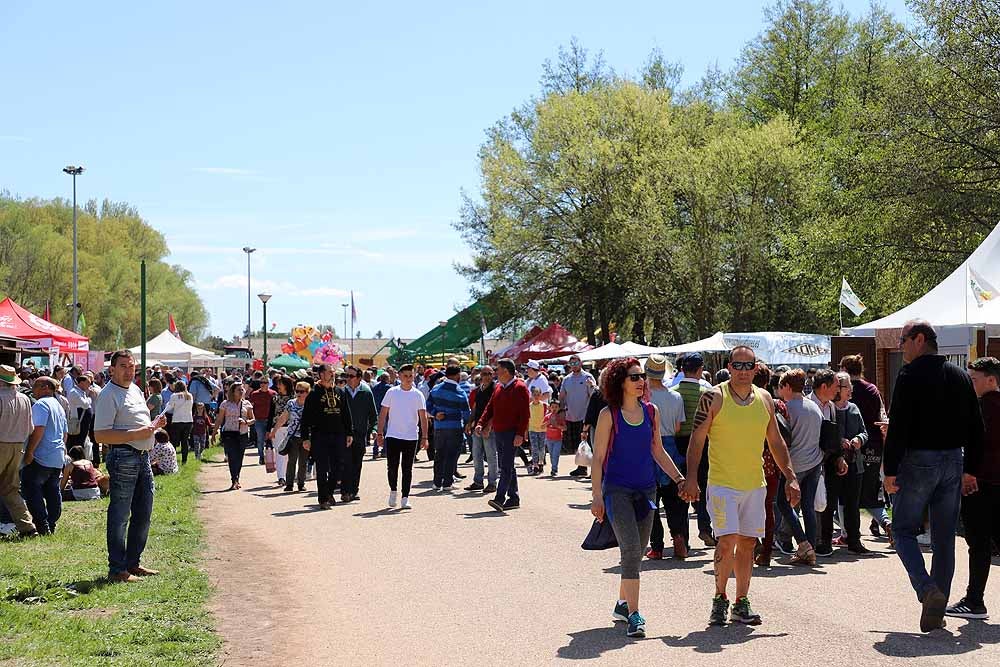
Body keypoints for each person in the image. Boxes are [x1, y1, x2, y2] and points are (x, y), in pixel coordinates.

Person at [681, 346, 800, 626]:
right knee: (727, 541)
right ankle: (720, 598)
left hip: (754, 485)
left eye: (749, 366)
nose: (743, 371)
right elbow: (697, 440)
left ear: (756, 369)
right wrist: (691, 477)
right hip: (722, 484)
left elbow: (776, 441)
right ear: (730, 366)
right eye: (738, 365)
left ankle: (741, 601)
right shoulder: (714, 397)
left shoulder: (765, 399)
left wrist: (791, 477)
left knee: (747, 544)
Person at [883, 319, 984, 632]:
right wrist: (971, 470)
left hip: (919, 461)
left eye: (903, 340)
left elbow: (897, 426)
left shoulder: (909, 375)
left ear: (919, 339)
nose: (901, 346)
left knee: (901, 530)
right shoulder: (960, 375)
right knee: (944, 540)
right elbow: (977, 428)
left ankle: (928, 590)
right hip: (954, 461)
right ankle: (936, 612)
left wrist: (889, 470)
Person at [590, 358, 686, 638]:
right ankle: (634, 614)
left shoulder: (652, 411)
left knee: (637, 550)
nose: (641, 380)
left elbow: (658, 451)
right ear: (619, 381)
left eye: (642, 376)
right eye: (634, 377)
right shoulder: (609, 414)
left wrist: (679, 478)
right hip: (617, 491)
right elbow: (597, 459)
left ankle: (622, 605)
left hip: (647, 490)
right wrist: (596, 497)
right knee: (631, 549)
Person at [94, 349, 167, 583]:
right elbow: (101, 435)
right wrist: (138, 433)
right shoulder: (108, 394)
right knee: (120, 514)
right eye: (123, 366)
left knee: (143, 512)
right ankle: (117, 569)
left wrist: (154, 424)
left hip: (142, 456)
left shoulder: (135, 389)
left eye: (132, 366)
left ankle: (132, 563)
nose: (129, 370)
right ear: (112, 370)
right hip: (124, 457)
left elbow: (137, 420)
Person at [947, 356, 1000, 620]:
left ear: (991, 380)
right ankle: (973, 599)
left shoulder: (982, 407)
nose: (971, 383)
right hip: (991, 484)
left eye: (974, 379)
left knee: (978, 544)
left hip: (980, 485)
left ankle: (974, 600)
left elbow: (973, 443)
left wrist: (968, 473)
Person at [773, 369, 827, 566]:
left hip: (794, 465)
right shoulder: (814, 407)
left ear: (787, 386)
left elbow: (782, 439)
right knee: (809, 507)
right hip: (815, 462)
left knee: (783, 503)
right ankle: (809, 548)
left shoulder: (787, 409)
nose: (779, 390)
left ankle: (803, 543)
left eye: (781, 386)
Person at [840, 354, 892, 543]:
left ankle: (847, 533)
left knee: (845, 493)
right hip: (874, 446)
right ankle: (886, 523)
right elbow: (882, 415)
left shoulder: (842, 391)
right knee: (871, 491)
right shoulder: (872, 389)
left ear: (844, 369)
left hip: (850, 446)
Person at [816, 372, 869, 555]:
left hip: (854, 463)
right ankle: (825, 541)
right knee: (829, 504)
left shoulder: (854, 408)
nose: (842, 390)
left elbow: (864, 432)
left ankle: (854, 541)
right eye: (839, 386)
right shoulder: (829, 408)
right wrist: (839, 442)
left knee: (852, 505)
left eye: (844, 386)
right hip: (832, 463)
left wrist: (857, 440)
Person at [644, 354, 689, 560]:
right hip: (671, 447)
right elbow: (679, 427)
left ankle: (657, 546)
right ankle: (679, 536)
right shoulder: (676, 397)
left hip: (648, 449)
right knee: (674, 501)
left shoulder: (643, 399)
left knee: (651, 500)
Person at [673, 352, 715, 546]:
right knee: (704, 485)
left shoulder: (672, 392)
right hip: (702, 443)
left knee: (681, 486)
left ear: (682, 369)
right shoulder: (707, 392)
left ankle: (681, 536)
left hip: (678, 443)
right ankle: (705, 527)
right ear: (700, 370)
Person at [479, 359, 530, 512]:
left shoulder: (520, 387)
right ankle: (513, 498)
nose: (496, 374)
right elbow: (490, 407)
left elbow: (524, 414)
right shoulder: (499, 388)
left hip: (512, 433)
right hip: (500, 432)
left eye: (498, 371)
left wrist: (520, 434)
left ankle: (500, 498)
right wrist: (481, 422)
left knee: (506, 466)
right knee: (506, 465)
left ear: (506, 372)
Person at [301, 364, 354, 509]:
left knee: (338, 467)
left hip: (339, 435)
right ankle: (323, 499)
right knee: (322, 468)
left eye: (333, 372)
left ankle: (329, 492)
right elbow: (305, 418)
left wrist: (349, 433)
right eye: (330, 372)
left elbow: (346, 414)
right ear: (321, 374)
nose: (333, 374)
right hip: (320, 436)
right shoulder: (313, 394)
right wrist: (305, 437)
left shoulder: (340, 392)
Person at [21, 376, 68, 536]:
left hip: (41, 456)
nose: (33, 390)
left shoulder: (41, 405)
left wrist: (29, 452)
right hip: (56, 456)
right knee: (53, 491)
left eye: (36, 386)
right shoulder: (58, 405)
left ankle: (42, 525)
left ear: (46, 388)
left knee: (31, 489)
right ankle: (51, 522)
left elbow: (38, 430)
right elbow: (65, 434)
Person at [377, 364, 428, 509]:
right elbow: (383, 414)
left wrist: (425, 437)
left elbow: (423, 417)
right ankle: (393, 491)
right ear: (399, 376)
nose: (408, 379)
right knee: (392, 467)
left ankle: (405, 497)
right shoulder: (392, 392)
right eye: (405, 376)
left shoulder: (418, 394)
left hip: (411, 436)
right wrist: (380, 433)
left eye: (411, 375)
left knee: (408, 468)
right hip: (393, 435)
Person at [0, 364, 37, 537]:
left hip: (1, 444)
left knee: (10, 489)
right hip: (18, 447)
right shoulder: (24, 398)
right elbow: (30, 428)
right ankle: (27, 527)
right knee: (11, 489)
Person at [426, 365, 471, 491]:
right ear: (457, 375)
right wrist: (468, 424)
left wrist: (435, 414)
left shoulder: (435, 388)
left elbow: (427, 405)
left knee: (439, 454)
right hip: (455, 427)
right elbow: (466, 411)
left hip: (439, 427)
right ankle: (447, 483)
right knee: (451, 454)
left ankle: (436, 482)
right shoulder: (459, 391)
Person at [343, 366, 377, 502]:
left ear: (358, 378)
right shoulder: (341, 392)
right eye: (347, 376)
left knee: (357, 463)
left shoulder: (366, 392)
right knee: (345, 462)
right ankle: (345, 491)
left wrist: (374, 430)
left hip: (360, 434)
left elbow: (373, 415)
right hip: (344, 434)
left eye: (351, 376)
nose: (348, 379)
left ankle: (354, 490)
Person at [269, 381, 310, 492]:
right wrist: (274, 431)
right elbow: (283, 418)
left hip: (306, 437)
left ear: (307, 392)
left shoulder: (310, 404)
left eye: (301, 391)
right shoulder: (291, 403)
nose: (299, 394)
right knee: (291, 461)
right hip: (292, 436)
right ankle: (289, 484)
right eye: (297, 391)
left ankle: (301, 484)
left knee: (303, 461)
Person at [465, 366, 499, 493]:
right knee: (476, 454)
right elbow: (475, 407)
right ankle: (478, 481)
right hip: (477, 426)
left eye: (489, 373)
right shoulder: (479, 390)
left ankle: (492, 482)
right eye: (484, 374)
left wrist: (488, 426)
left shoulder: (495, 389)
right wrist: (470, 422)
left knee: (491, 455)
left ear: (493, 375)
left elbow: (496, 410)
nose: (487, 376)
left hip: (490, 428)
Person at [216, 383, 255, 490]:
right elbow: (219, 419)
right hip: (229, 433)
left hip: (242, 434)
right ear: (233, 392)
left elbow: (253, 420)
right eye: (239, 390)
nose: (241, 391)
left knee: (239, 458)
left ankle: (237, 478)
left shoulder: (247, 404)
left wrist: (245, 421)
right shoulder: (225, 404)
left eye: (242, 389)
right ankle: (234, 480)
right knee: (232, 457)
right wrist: (215, 432)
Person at [562, 355, 595, 477]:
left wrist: (591, 386)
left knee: (590, 444)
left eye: (576, 363)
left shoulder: (587, 377)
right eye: (571, 364)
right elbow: (562, 396)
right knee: (579, 445)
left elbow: (593, 394)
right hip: (571, 416)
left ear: (580, 363)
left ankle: (594, 470)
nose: (574, 366)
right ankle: (582, 467)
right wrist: (561, 412)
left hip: (585, 416)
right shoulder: (566, 379)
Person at [165, 381, 195, 464]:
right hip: (188, 420)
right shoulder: (189, 396)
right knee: (184, 441)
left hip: (177, 420)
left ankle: (172, 460)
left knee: (174, 441)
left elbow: (170, 407)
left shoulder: (174, 396)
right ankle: (184, 460)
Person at [248, 379, 276, 465]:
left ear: (268, 384)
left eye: (265, 383)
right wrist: (251, 417)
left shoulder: (273, 394)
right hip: (259, 420)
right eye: (261, 383)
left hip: (270, 420)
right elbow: (251, 406)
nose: (263, 384)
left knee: (270, 439)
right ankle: (261, 457)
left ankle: (270, 457)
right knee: (260, 439)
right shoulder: (254, 394)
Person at [371, 371, 394, 459]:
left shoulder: (375, 387)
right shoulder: (389, 388)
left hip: (377, 411)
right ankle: (384, 451)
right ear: (387, 379)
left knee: (379, 431)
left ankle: (375, 451)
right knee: (387, 432)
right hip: (387, 412)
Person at [527, 386, 548, 475]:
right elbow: (527, 418)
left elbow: (549, 416)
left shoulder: (545, 405)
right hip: (532, 429)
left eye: (538, 394)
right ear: (532, 395)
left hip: (542, 430)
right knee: (534, 447)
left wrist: (546, 424)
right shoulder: (529, 406)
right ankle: (535, 465)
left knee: (541, 447)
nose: (536, 396)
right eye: (534, 394)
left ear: (540, 395)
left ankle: (541, 462)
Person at [544, 398, 566, 476]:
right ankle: (553, 467)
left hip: (558, 439)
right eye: (552, 407)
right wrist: (548, 422)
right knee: (551, 454)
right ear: (550, 408)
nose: (554, 409)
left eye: (556, 407)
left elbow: (565, 428)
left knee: (555, 454)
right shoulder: (547, 416)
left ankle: (554, 469)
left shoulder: (560, 417)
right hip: (549, 439)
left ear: (559, 408)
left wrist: (557, 425)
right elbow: (542, 426)